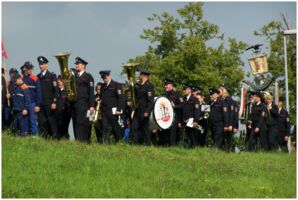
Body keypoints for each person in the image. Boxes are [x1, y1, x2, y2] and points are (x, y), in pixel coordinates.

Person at [70, 57, 95, 143]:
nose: (76, 65)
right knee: (75, 122)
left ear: (83, 65)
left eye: (78, 64)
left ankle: (83, 141)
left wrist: (92, 105)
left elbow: (91, 92)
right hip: (74, 103)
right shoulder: (74, 76)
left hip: (83, 103)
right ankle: (77, 140)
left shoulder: (88, 77)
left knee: (82, 123)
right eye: (76, 64)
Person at [99, 70, 125, 144]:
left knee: (115, 127)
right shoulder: (103, 86)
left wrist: (119, 109)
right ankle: (106, 143)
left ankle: (119, 141)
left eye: (105, 78)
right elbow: (101, 97)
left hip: (113, 110)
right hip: (104, 110)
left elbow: (121, 98)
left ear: (109, 76)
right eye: (103, 78)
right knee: (105, 127)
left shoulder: (116, 85)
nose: (104, 80)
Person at [37, 56, 59, 139]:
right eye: (40, 64)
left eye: (42, 64)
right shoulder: (38, 77)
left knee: (51, 121)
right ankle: (44, 138)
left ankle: (54, 138)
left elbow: (56, 90)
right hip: (41, 104)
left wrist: (54, 102)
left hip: (49, 103)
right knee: (42, 122)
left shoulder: (51, 76)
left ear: (46, 65)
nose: (41, 66)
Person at [132, 69, 155, 145]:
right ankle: (136, 144)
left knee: (145, 129)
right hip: (138, 110)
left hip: (144, 111)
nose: (139, 77)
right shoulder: (140, 85)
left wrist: (147, 111)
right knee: (134, 127)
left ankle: (148, 144)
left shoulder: (149, 86)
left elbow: (151, 101)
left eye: (140, 75)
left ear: (143, 76)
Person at [21, 61, 42, 136]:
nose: (30, 70)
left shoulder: (35, 78)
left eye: (31, 68)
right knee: (24, 121)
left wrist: (37, 105)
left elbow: (39, 93)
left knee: (33, 121)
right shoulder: (21, 79)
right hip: (23, 104)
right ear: (24, 69)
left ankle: (34, 137)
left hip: (33, 103)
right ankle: (25, 136)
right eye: (29, 68)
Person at [161, 78, 183, 146]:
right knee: (165, 133)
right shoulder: (165, 94)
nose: (165, 86)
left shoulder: (177, 94)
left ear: (171, 85)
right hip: (165, 117)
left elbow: (182, 105)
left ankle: (173, 147)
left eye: (166, 85)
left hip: (174, 118)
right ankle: (165, 147)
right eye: (165, 85)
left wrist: (175, 106)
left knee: (172, 134)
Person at [178, 83, 200, 148]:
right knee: (185, 135)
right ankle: (188, 147)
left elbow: (197, 111)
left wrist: (196, 120)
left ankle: (194, 147)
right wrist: (179, 121)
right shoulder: (183, 99)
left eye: (185, 89)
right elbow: (181, 111)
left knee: (192, 135)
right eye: (183, 89)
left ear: (190, 90)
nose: (183, 91)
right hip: (184, 120)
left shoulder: (195, 99)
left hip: (191, 120)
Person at [10, 71, 31, 136]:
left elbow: (27, 99)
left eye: (15, 81)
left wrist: (25, 109)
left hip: (22, 111)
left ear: (19, 79)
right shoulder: (15, 87)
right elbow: (13, 98)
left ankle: (24, 139)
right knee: (15, 127)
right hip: (15, 110)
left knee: (23, 126)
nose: (15, 82)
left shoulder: (24, 87)